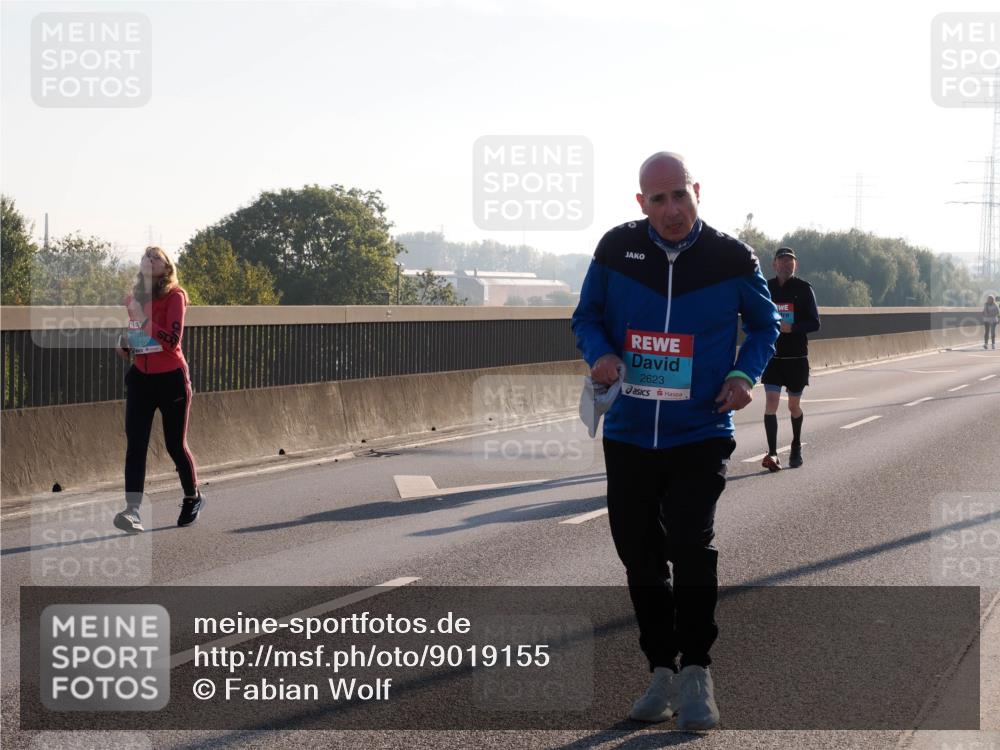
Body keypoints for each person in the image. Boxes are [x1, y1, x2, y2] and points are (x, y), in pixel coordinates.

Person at [571, 152, 780, 729]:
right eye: (657, 200)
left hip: (700, 430)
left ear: (697, 192)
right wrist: (602, 353)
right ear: (641, 203)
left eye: (679, 196)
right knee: (639, 556)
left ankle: (697, 672)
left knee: (690, 543)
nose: (671, 210)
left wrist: (743, 375)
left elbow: (764, 327)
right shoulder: (616, 250)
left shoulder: (731, 257)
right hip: (632, 433)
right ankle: (660, 670)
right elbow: (585, 317)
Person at [113, 246, 204, 533]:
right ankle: (133, 511)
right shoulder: (134, 299)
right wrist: (125, 345)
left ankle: (193, 496)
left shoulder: (176, 296)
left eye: (156, 258)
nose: (149, 260)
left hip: (171, 379)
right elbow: (138, 338)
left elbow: (171, 340)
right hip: (141, 377)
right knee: (135, 446)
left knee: (175, 445)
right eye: (145, 257)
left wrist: (144, 317)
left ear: (166, 268)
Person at [760, 247, 821, 471]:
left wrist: (792, 327)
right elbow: (756, 315)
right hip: (773, 356)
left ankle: (796, 446)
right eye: (783, 261)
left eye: (791, 262)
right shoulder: (766, 288)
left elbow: (815, 323)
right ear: (774, 263)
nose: (787, 265)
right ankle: (773, 453)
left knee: (793, 406)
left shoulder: (804, 289)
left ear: (796, 265)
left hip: (796, 358)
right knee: (771, 403)